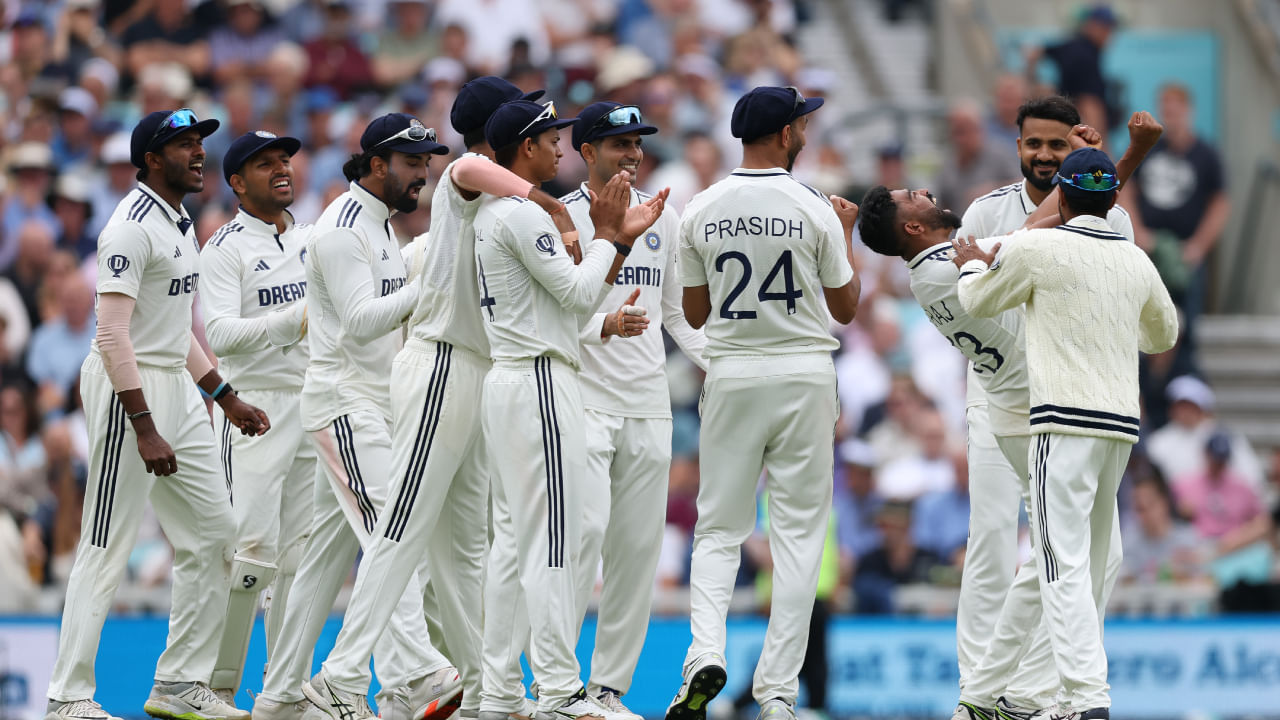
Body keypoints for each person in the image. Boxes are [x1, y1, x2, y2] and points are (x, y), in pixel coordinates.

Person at [308, 76, 559, 720]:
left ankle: (485, 690)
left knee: (462, 550)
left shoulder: (496, 201)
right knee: (401, 529)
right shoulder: (469, 176)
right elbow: (470, 163)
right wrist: (549, 201)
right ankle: (338, 677)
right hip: (441, 367)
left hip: (477, 372)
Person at [44, 108, 271, 720]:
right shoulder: (128, 229)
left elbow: (175, 329)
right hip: (131, 390)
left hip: (176, 384)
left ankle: (179, 683)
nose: (199, 154)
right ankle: (67, 697)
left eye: (200, 144)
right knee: (105, 542)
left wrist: (224, 396)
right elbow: (114, 335)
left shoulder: (179, 220)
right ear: (150, 160)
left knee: (215, 535)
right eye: (184, 145)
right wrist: (143, 425)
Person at [951, 146, 1178, 720]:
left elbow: (976, 300)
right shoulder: (1135, 259)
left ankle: (1084, 699)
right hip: (1121, 430)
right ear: (1114, 200)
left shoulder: (1038, 246)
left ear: (1065, 197)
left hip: (1063, 421)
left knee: (1060, 564)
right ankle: (986, 696)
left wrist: (974, 262)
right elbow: (1162, 336)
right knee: (1088, 559)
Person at [665, 85, 860, 720]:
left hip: (734, 372)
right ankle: (777, 693)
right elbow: (847, 308)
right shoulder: (815, 206)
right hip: (804, 372)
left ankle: (704, 653)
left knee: (720, 527)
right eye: (801, 122)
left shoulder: (702, 206)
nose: (807, 130)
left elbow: (694, 310)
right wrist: (848, 235)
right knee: (801, 536)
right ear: (784, 134)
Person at [262, 114, 460, 720]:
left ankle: (278, 696)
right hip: (346, 405)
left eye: (426, 162)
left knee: (324, 564)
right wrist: (433, 286)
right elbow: (359, 321)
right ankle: (409, 674)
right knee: (392, 538)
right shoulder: (344, 229)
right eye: (411, 163)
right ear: (376, 164)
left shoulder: (379, 226)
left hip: (372, 403)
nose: (422, 174)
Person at [473, 98, 663, 720]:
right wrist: (614, 238)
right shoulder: (526, 216)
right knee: (553, 545)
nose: (558, 147)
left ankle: (500, 690)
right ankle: (558, 692)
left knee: (514, 545)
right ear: (526, 147)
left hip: (512, 380)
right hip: (543, 382)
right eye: (551, 139)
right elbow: (581, 300)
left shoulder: (494, 213)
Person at [560, 101, 707, 720]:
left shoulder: (663, 215)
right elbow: (554, 315)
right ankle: (558, 687)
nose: (632, 153)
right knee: (579, 539)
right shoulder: (560, 217)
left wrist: (719, 363)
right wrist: (606, 325)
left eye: (638, 143)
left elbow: (675, 311)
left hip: (648, 404)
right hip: (584, 399)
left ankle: (606, 692)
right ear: (586, 152)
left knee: (636, 551)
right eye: (618, 144)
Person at [198, 130, 315, 713]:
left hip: (312, 401)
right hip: (255, 405)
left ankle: (283, 688)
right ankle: (215, 687)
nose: (281, 170)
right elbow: (218, 334)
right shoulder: (224, 247)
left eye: (285, 160)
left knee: (299, 556)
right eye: (265, 164)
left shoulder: (314, 238)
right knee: (250, 553)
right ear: (237, 182)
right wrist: (293, 321)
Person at [1122, 83, 1230, 376]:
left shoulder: (1206, 155)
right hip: (1150, 252)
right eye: (1165, 110)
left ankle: (1185, 392)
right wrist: (1138, 232)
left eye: (1175, 110)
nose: (1170, 116)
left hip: (1185, 255)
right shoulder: (1148, 150)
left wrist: (1198, 246)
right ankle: (1147, 398)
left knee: (1186, 329)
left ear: (1189, 111)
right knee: (1143, 323)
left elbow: (1220, 203)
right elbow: (1126, 188)